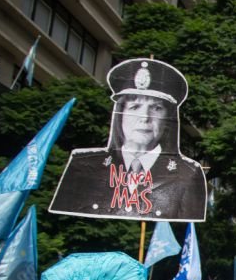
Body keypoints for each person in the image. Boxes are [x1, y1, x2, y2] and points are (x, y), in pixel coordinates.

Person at [50, 58, 207, 221]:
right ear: (120, 114)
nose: (144, 118)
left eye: (156, 108)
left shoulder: (187, 175)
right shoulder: (82, 165)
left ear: (168, 119)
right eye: (134, 107)